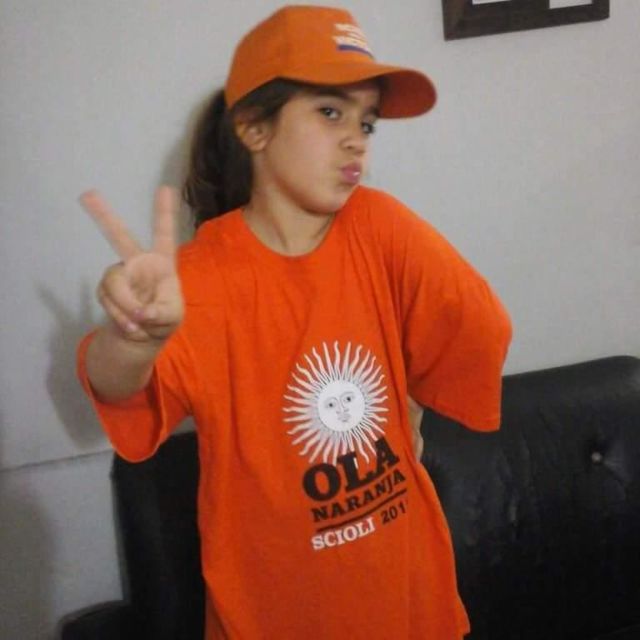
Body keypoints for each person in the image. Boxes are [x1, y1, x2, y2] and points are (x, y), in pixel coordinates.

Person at [77, 5, 512, 639]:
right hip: (272, 615)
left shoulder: (380, 226)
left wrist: (411, 406)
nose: (356, 139)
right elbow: (117, 387)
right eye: (330, 112)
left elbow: (473, 324)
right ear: (253, 128)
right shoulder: (201, 279)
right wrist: (131, 337)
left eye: (366, 121)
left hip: (408, 601)